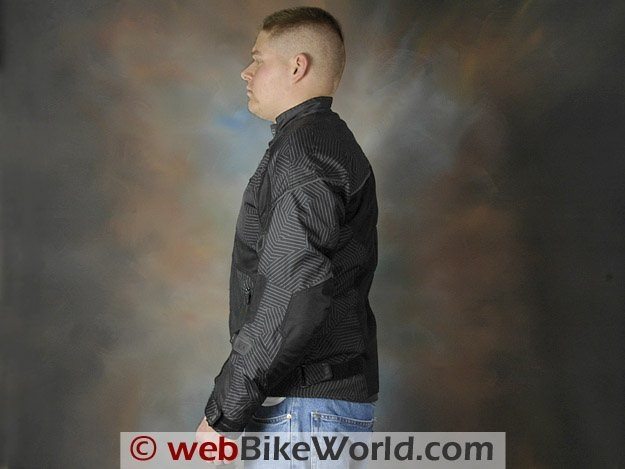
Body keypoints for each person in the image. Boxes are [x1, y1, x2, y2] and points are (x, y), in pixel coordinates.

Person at [196, 6, 380, 465]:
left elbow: (292, 293)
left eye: (258, 59)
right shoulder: (319, 142)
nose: (247, 71)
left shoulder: (304, 154)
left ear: (298, 66)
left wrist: (222, 416)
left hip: (306, 414)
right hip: (314, 408)